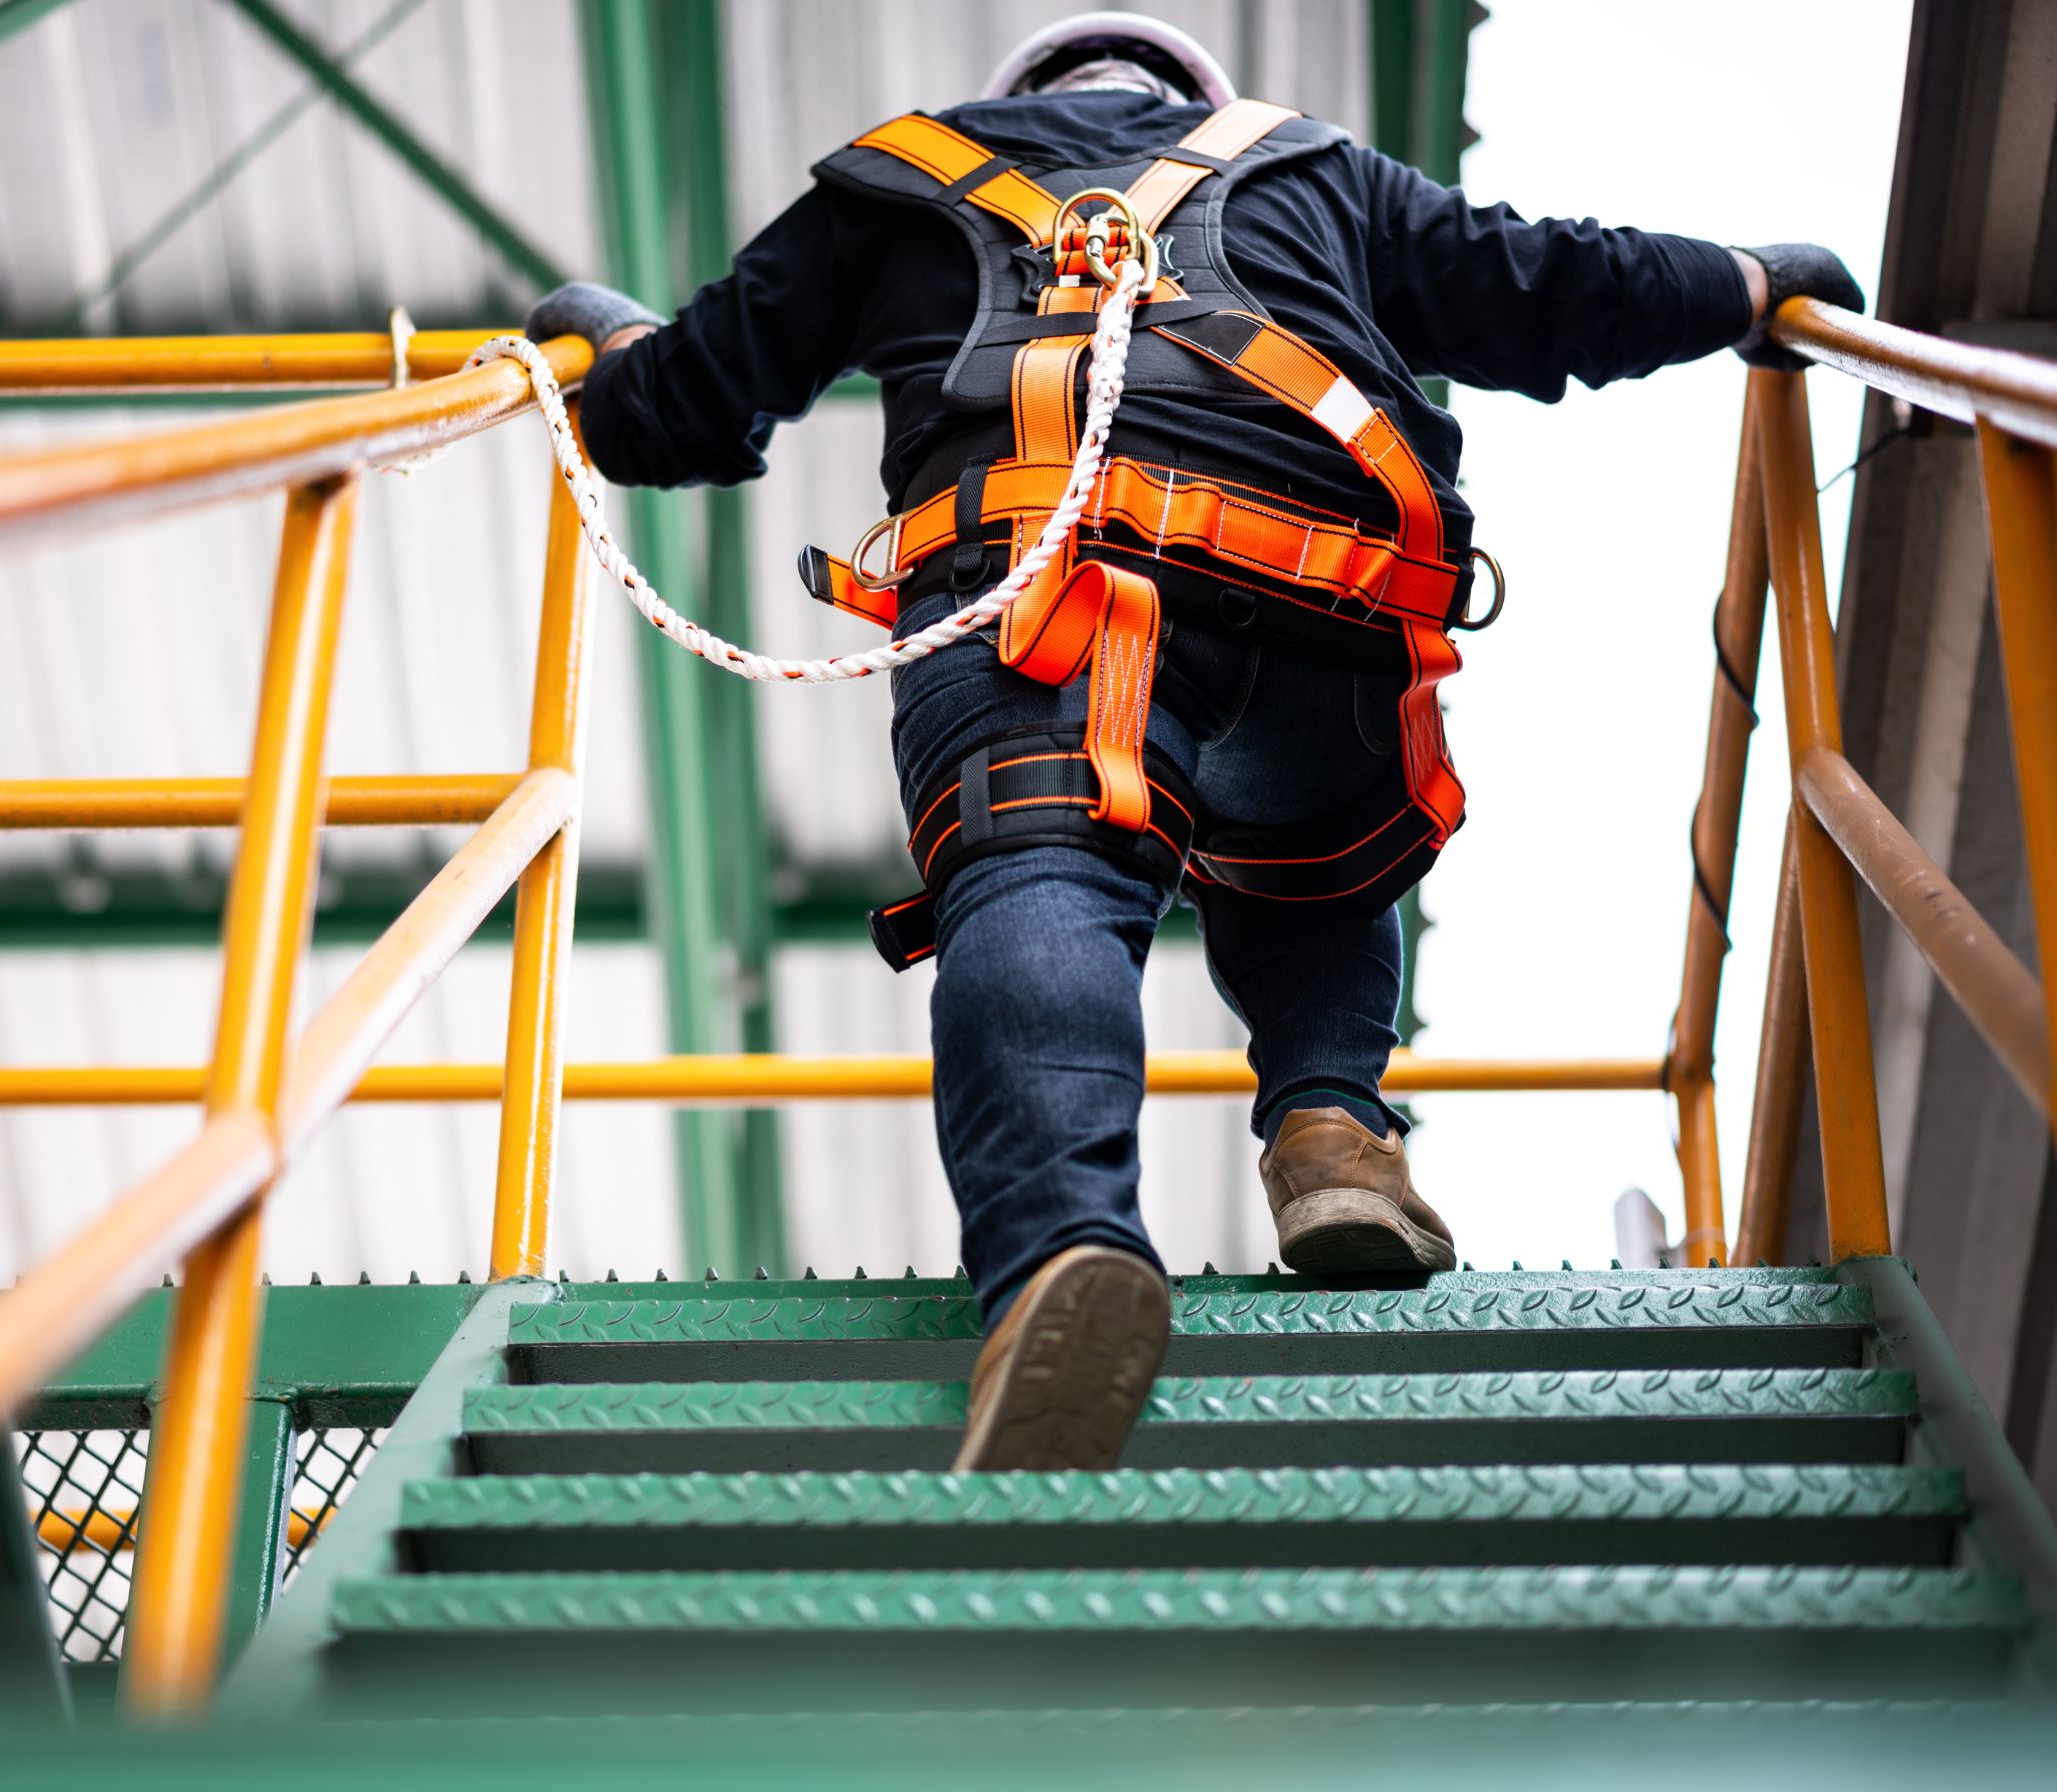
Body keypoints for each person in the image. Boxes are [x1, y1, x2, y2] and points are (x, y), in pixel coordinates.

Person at [526, 11, 1863, 1473]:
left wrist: (599, 344)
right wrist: (1747, 288)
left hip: (1046, 599)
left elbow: (675, 412)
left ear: (1015, 104)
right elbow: (1546, 285)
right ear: (1196, 104)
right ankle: (1334, 1133)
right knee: (1315, 873)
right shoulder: (1316, 171)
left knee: (1041, 881)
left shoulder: (892, 184)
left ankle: (1060, 1258)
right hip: (1333, 606)